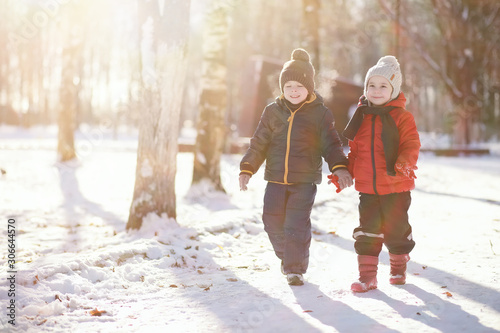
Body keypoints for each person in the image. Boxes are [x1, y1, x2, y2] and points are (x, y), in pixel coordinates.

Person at [239, 48, 352, 286]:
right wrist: (247, 168)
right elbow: (259, 143)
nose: (293, 90)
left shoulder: (320, 114)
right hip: (275, 180)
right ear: (282, 88)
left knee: (296, 224)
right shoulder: (272, 111)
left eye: (299, 86)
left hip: (304, 181)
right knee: (271, 221)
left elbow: (331, 145)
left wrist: (340, 167)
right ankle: (288, 256)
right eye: (288, 86)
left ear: (309, 88)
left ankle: (295, 269)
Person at [343, 55, 421, 292]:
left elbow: (411, 144)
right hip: (367, 188)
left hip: (396, 186)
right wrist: (346, 171)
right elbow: (354, 150)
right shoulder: (361, 117)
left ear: (393, 89)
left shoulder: (402, 117)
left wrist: (404, 163)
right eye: (371, 86)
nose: (376, 91)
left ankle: (398, 266)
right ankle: (367, 276)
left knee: (396, 229)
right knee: (368, 231)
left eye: (383, 86)